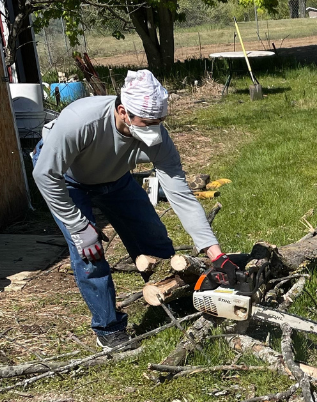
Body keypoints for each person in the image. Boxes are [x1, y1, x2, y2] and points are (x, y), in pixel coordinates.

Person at [31, 70, 239, 348]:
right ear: (122, 111)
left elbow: (180, 194)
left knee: (153, 238)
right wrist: (78, 226)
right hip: (68, 178)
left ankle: (173, 296)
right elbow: (45, 175)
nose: (154, 129)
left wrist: (214, 252)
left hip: (114, 177)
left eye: (159, 122)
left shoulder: (156, 135)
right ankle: (108, 330)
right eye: (147, 122)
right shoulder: (81, 121)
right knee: (89, 254)